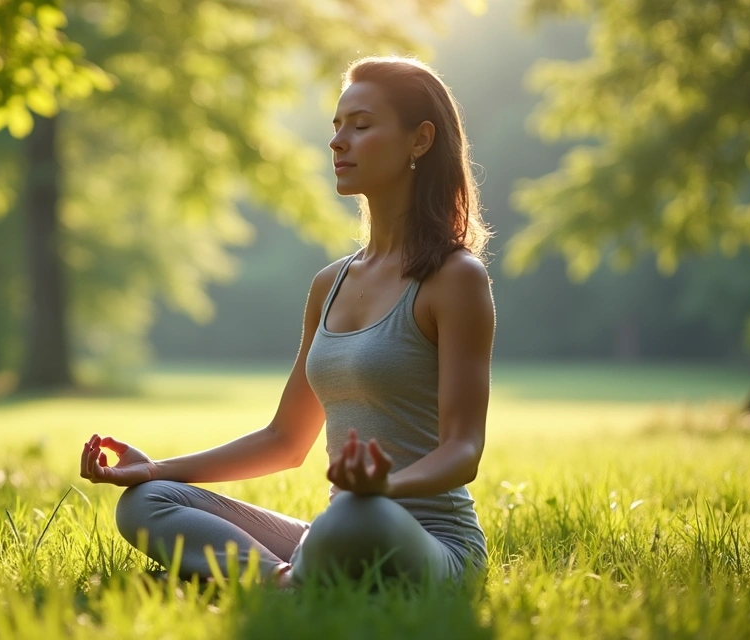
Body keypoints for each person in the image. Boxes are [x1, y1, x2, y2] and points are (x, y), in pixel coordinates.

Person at [78, 55, 494, 588]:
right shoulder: (330, 284)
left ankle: (258, 583)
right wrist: (156, 468)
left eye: (361, 126)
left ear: (420, 140)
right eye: (337, 126)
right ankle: (282, 583)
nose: (338, 141)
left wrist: (379, 491)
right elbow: (284, 440)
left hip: (430, 544)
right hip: (337, 530)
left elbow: (463, 450)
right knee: (148, 503)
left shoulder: (454, 277)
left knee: (348, 516)